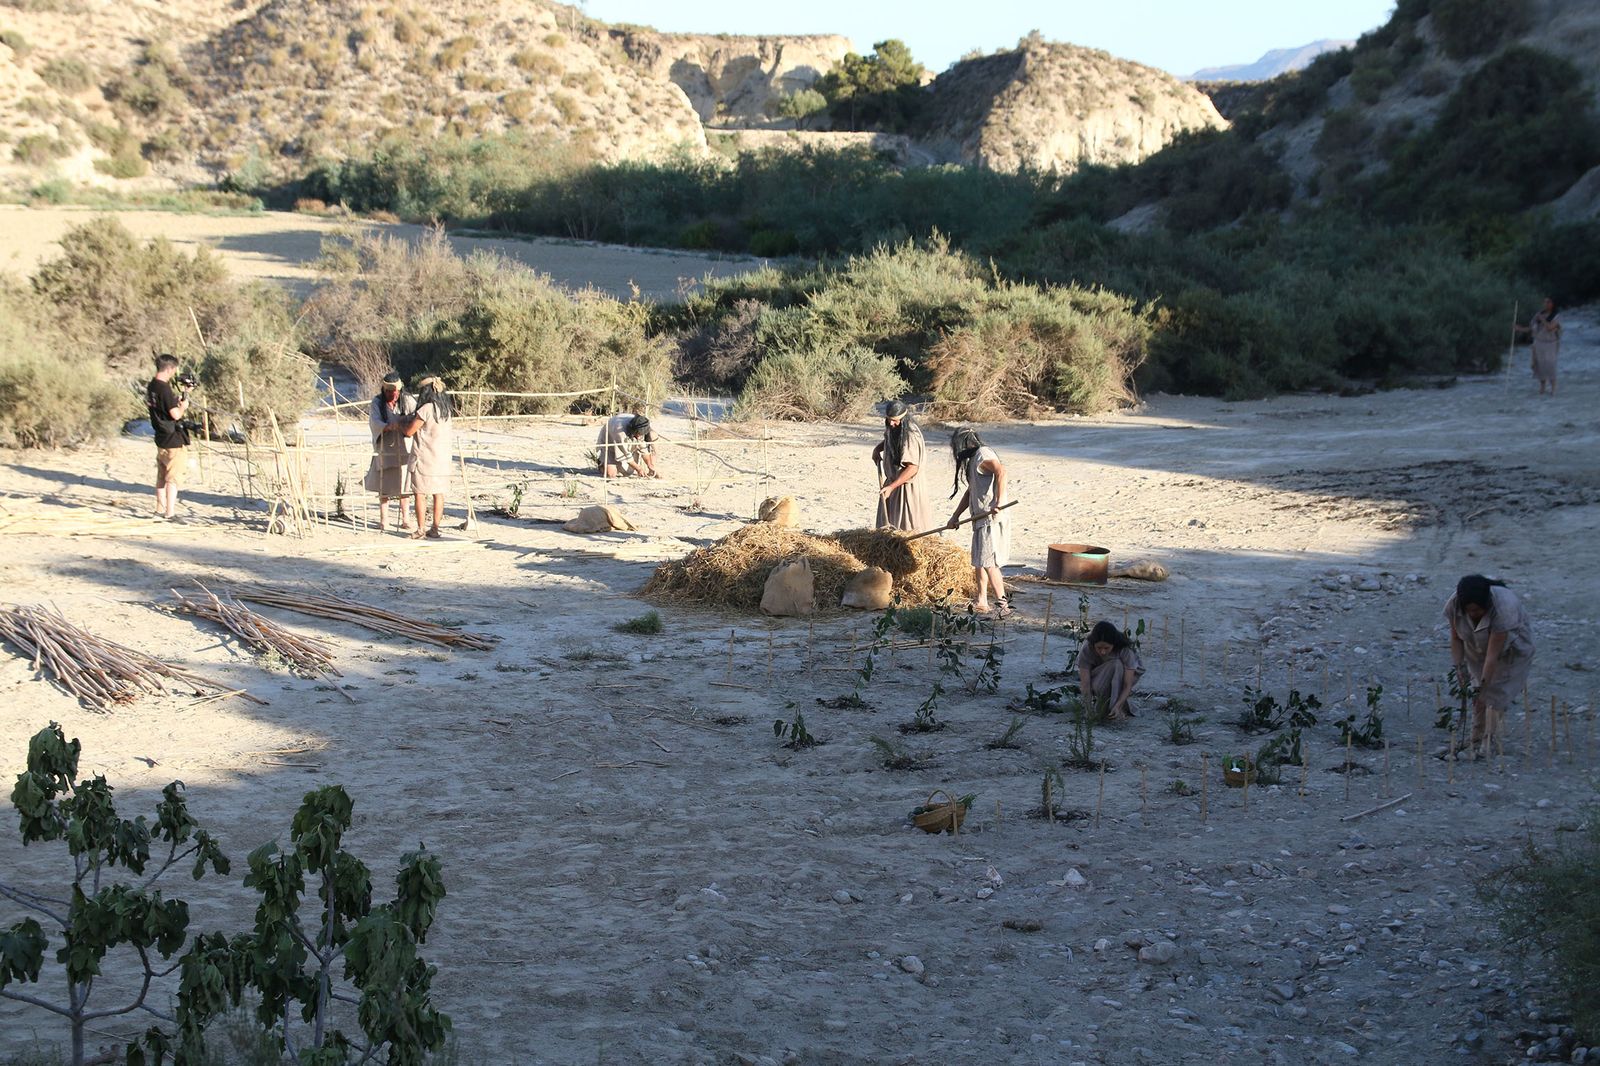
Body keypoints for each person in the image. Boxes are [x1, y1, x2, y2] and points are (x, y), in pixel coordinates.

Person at [1443, 574, 1536, 758]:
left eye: (1477, 610)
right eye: (1469, 611)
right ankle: (1474, 739)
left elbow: (1492, 656)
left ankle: (1487, 740)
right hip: (1475, 645)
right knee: (1477, 693)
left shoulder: (1504, 609)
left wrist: (1483, 688)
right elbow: (1455, 638)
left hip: (1511, 648)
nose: (1472, 614)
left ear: (1485, 604)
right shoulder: (1454, 604)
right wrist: (1459, 669)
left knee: (1494, 693)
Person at [945, 428, 1011, 617]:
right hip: (980, 519)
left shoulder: (982, 455)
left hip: (990, 519)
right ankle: (982, 599)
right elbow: (970, 492)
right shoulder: (975, 460)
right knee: (980, 561)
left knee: (989, 563)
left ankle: (1003, 606)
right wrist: (955, 516)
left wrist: (999, 501)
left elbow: (1001, 471)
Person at [402, 376, 454, 539]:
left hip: (425, 459)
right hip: (442, 460)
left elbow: (409, 431)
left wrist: (400, 424)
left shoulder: (426, 409)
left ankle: (421, 529)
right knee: (438, 494)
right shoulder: (446, 410)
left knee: (420, 494)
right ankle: (435, 528)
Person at [364, 372, 417, 531]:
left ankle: (406, 519)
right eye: (388, 392)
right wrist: (387, 426)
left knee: (404, 485)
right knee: (384, 485)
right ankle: (384, 519)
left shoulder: (407, 400)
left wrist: (404, 424)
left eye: (394, 392)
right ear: (384, 390)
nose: (392, 395)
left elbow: (416, 417)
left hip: (404, 445)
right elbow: (375, 422)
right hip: (385, 447)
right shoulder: (377, 402)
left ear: (399, 391)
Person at [871, 400, 931, 532]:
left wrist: (892, 487)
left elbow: (912, 468)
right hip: (894, 485)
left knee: (905, 529)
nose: (891, 423)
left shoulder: (910, 435)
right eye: (889, 420)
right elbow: (889, 438)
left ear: (903, 418)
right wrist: (877, 449)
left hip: (907, 488)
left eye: (895, 420)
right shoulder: (894, 428)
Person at [145, 353, 190, 520]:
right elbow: (176, 414)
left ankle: (159, 509)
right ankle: (170, 513)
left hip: (160, 437)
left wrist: (177, 398)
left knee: (161, 476)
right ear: (170, 368)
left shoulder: (152, 386)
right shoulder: (164, 388)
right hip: (172, 438)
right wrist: (183, 406)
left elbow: (163, 406)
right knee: (173, 477)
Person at [1078, 620, 1144, 721]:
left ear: (1114, 644)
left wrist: (1117, 706)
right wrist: (1088, 709)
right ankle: (1109, 709)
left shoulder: (1125, 650)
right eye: (1099, 648)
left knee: (1116, 664)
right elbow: (1085, 683)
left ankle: (1116, 708)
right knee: (1114, 666)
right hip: (1098, 681)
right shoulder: (1087, 648)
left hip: (1121, 679)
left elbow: (1127, 685)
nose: (1103, 651)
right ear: (1093, 644)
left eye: (1106, 648)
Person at [1515, 297, 1562, 396]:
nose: (1545, 304)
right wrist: (1519, 328)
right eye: (1544, 302)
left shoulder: (1556, 316)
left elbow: (1550, 328)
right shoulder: (1538, 314)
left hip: (1550, 344)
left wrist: (1542, 319)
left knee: (1550, 365)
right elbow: (1531, 328)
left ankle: (1553, 388)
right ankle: (1542, 387)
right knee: (1539, 365)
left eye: (1548, 302)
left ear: (1553, 304)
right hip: (1538, 343)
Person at [596, 413, 659, 478]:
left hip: (625, 440)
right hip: (609, 442)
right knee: (611, 474)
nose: (639, 436)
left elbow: (643, 449)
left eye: (640, 434)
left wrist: (650, 465)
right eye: (638, 434)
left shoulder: (642, 426)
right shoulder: (620, 433)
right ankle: (602, 464)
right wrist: (639, 469)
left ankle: (617, 466)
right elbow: (626, 455)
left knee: (628, 472)